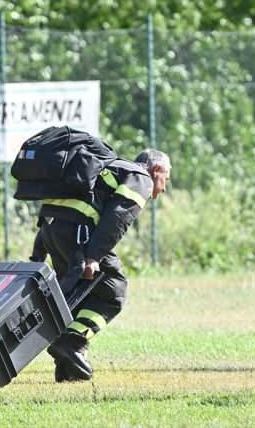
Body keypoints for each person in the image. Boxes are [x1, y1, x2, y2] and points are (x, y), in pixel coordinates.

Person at [31, 148, 171, 382]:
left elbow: (57, 210)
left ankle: (66, 366)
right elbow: (118, 218)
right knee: (113, 291)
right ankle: (70, 344)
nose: (164, 187)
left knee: (81, 293)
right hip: (77, 232)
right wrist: (93, 257)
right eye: (166, 178)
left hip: (53, 230)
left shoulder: (109, 169)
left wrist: (39, 252)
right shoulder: (140, 178)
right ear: (156, 170)